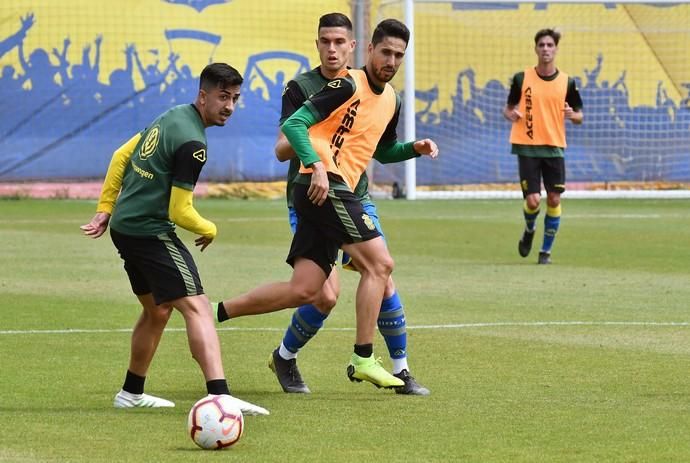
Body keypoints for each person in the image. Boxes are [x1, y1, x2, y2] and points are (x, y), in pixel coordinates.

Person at [215, 18, 438, 390]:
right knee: (380, 266)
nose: (391, 60)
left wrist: (413, 150)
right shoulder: (346, 84)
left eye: (398, 55)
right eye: (385, 52)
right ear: (367, 50)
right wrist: (317, 164)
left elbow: (380, 149)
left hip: (333, 190)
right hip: (325, 186)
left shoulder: (391, 99)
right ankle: (364, 358)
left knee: (306, 289)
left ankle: (216, 312)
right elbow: (294, 126)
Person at [80, 63, 268, 415]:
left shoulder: (173, 114)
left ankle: (131, 392)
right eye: (222, 97)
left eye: (235, 98)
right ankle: (220, 397)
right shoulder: (194, 143)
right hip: (150, 231)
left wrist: (107, 208)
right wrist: (209, 228)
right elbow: (181, 211)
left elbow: (121, 155)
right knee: (197, 306)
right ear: (203, 96)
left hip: (125, 228)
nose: (229, 106)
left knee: (157, 311)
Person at [503, 28, 583, 264]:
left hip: (554, 146)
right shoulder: (521, 78)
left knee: (555, 199)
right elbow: (508, 109)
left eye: (550, 45)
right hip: (527, 146)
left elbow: (580, 115)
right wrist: (512, 114)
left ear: (556, 49)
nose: (546, 49)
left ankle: (545, 252)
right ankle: (529, 230)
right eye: (542, 45)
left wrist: (572, 115)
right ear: (535, 48)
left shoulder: (567, 81)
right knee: (533, 200)